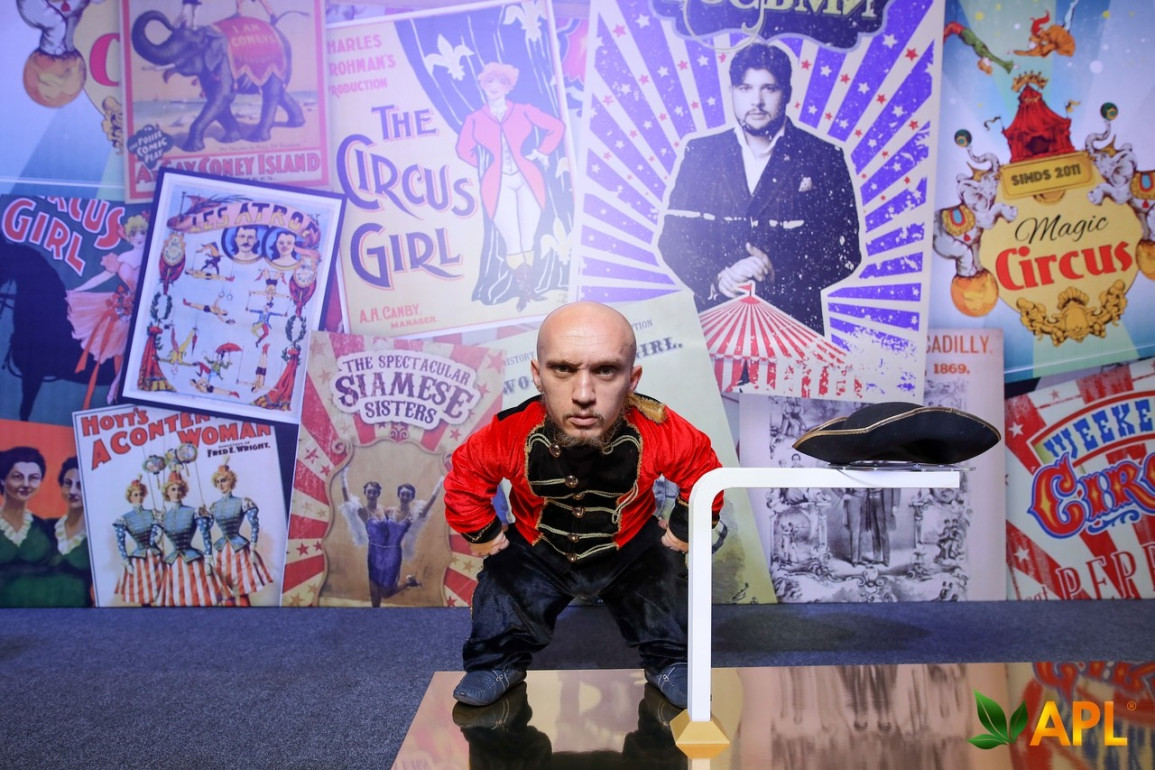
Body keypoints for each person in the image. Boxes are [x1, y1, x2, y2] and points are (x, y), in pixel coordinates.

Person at [443, 301, 724, 709]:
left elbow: (704, 472)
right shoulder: (509, 432)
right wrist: (485, 535)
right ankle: (496, 664)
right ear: (537, 374)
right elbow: (466, 475)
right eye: (563, 369)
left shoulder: (657, 428)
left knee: (664, 581)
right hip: (537, 546)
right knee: (502, 585)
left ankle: (671, 662)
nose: (583, 395)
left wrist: (682, 531)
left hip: (629, 545)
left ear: (632, 379)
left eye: (606, 370)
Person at [658, 43, 861, 336]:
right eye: (745, 88)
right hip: (712, 330)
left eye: (769, 88)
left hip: (793, 330)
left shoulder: (824, 157)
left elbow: (846, 251)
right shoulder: (701, 153)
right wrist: (719, 278)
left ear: (786, 92)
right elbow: (673, 238)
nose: (757, 101)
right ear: (731, 91)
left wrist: (777, 274)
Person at [456, 62, 566, 311]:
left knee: (528, 238)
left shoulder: (523, 110)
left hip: (528, 179)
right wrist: (485, 166)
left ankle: (530, 291)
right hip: (496, 184)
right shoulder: (474, 119)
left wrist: (542, 151)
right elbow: (463, 150)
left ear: (509, 86)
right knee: (512, 241)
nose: (495, 86)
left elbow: (557, 126)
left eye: (501, 82)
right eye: (489, 81)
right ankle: (525, 292)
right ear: (482, 85)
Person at [66, 213, 148, 406]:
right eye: (134, 233)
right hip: (125, 308)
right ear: (128, 236)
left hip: (146, 310)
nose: (138, 237)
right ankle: (116, 389)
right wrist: (77, 289)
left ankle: (116, 387)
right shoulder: (123, 257)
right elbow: (101, 278)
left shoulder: (154, 256)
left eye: (142, 232)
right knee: (121, 345)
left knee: (135, 347)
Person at [339, 470, 441, 607]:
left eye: (408, 495)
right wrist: (343, 478)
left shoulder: (408, 515)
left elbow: (426, 509)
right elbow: (348, 503)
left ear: (412, 497)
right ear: (398, 495)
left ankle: (408, 583)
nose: (404, 497)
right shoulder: (387, 511)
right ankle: (375, 618)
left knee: (386, 593)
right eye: (403, 494)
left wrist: (439, 486)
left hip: (393, 554)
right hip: (374, 553)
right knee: (374, 592)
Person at [0, 446, 76, 606]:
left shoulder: (46, 529)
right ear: (2, 479)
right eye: (17, 477)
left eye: (33, 478)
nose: (26, 484)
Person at [207, 463, 272, 606]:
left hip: (239, 549)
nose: (220, 484)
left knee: (242, 588)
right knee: (225, 590)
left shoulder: (242, 502)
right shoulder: (214, 506)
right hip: (221, 550)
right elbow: (206, 528)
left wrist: (253, 548)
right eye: (218, 482)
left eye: (223, 480)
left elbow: (254, 524)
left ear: (231, 481)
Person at [157, 470, 222, 606]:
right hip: (173, 563)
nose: (176, 493)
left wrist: (208, 560)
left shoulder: (194, 511)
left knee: (200, 597)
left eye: (179, 489)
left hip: (193, 561)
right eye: (173, 489)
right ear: (167, 492)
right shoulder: (163, 517)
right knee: (177, 600)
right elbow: (155, 540)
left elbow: (206, 536)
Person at [112, 478, 165, 606]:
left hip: (156, 558)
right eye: (136, 495)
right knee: (144, 595)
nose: (139, 497)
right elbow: (120, 542)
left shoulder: (152, 513)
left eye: (141, 494)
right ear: (130, 497)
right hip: (139, 560)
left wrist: (160, 525)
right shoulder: (124, 518)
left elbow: (157, 535)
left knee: (162, 593)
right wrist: (126, 562)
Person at [54, 456, 93, 606]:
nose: (72, 491)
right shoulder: (48, 527)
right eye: (68, 483)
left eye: (80, 486)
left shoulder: (95, 534)